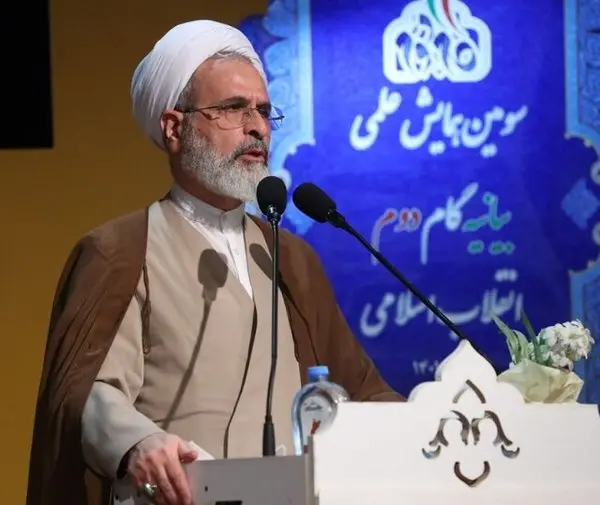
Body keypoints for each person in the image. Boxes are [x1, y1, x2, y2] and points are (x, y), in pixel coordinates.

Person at [26, 19, 404, 505]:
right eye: (232, 108)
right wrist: (138, 442)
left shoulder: (291, 258)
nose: (257, 127)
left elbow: (362, 392)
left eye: (263, 111)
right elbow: (89, 395)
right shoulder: (121, 250)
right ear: (174, 128)